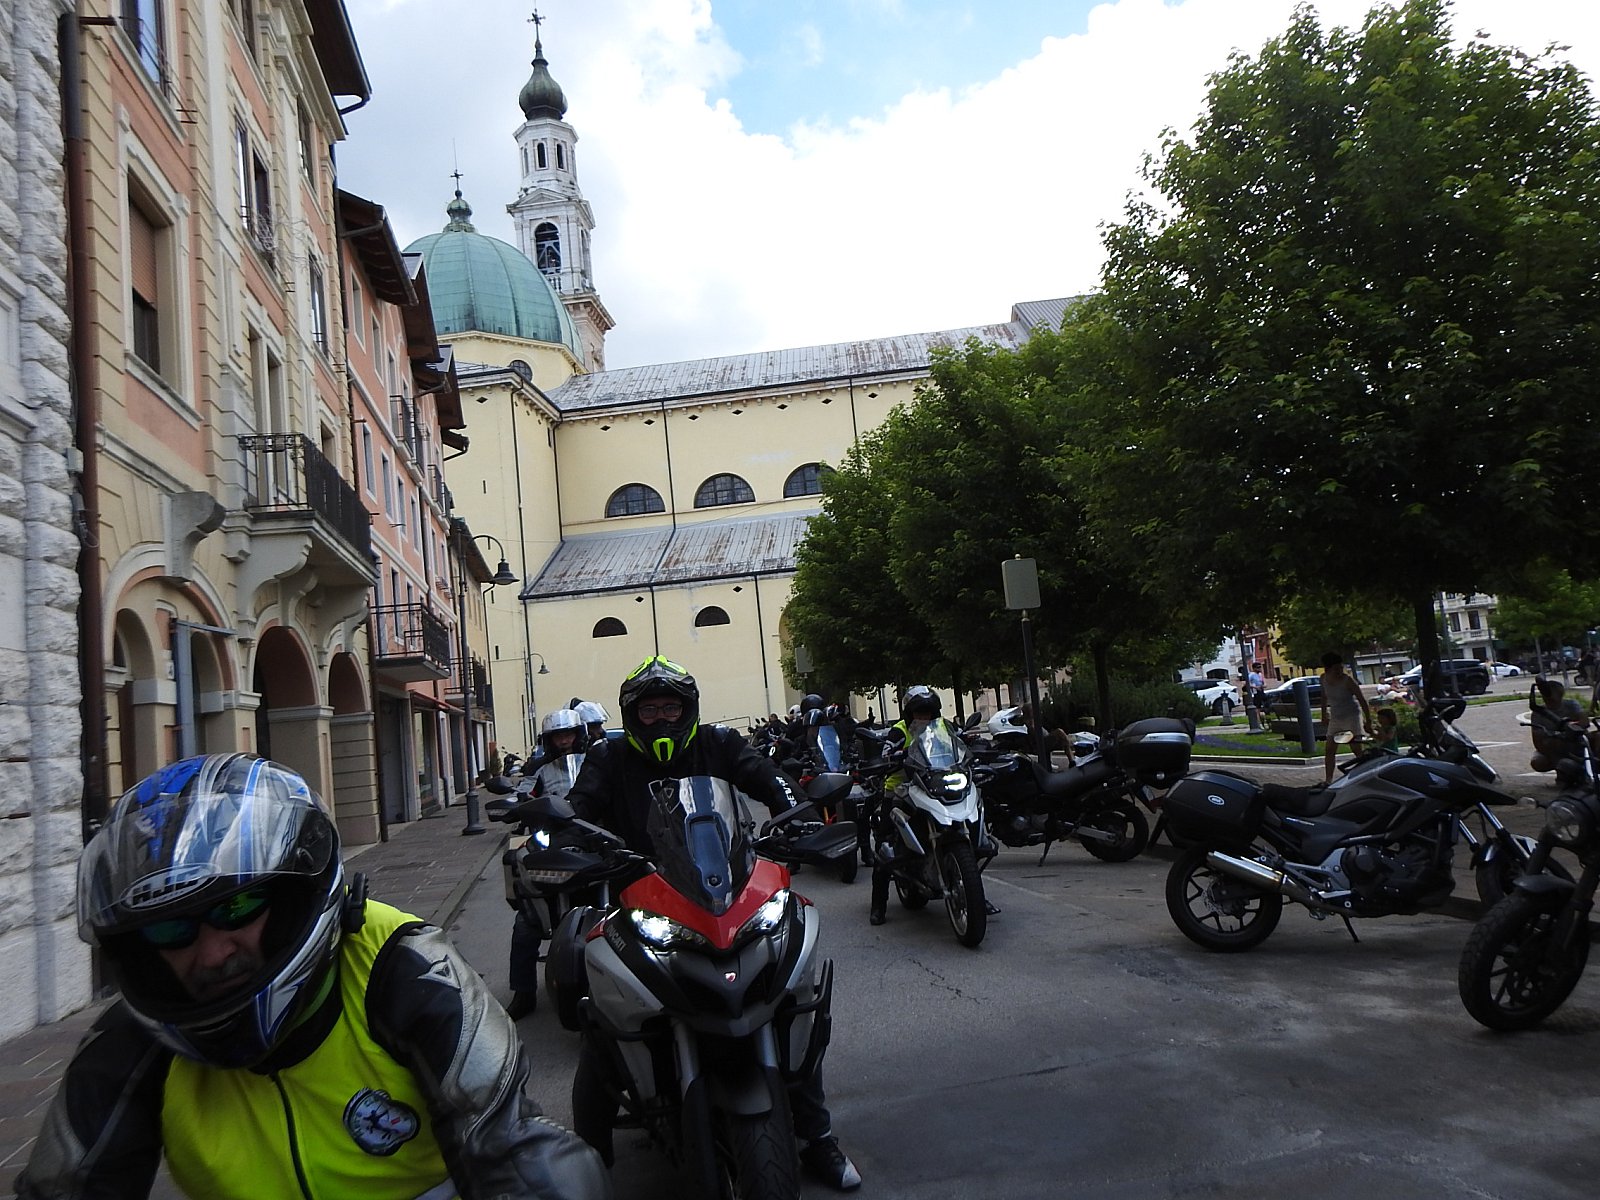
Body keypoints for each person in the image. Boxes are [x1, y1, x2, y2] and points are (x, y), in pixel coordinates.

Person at [15, 753, 607, 1200]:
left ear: (294, 894)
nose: (213, 952)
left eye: (237, 908)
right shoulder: (134, 1039)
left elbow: (513, 1146)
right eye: (172, 930)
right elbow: (64, 1183)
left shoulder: (402, 967)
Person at [566, 656, 861, 1192]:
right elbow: (578, 808)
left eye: (670, 707)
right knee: (602, 1012)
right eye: (649, 710)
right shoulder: (609, 755)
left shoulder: (719, 743)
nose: (660, 719)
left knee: (788, 998)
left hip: (722, 890)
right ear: (632, 715)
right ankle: (588, 1155)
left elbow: (769, 779)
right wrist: (570, 839)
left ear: (688, 710)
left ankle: (817, 1136)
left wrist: (798, 815)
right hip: (639, 893)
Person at [1319, 651, 1373, 783]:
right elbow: (1324, 697)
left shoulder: (1347, 681)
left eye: (1340, 667)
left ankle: (1367, 774)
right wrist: (1324, 714)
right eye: (1336, 668)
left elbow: (1362, 700)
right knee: (1330, 749)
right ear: (1328, 668)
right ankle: (1328, 780)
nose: (1339, 670)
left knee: (1355, 748)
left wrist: (1368, 720)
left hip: (1351, 716)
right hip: (1336, 717)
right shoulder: (1323, 678)